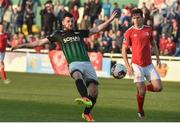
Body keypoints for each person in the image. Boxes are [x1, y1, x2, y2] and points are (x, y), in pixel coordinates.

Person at [12, 12, 118, 122]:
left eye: (72, 21)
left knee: (94, 92)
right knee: (77, 75)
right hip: (73, 63)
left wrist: (110, 19)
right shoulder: (58, 34)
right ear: (63, 22)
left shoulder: (79, 32)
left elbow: (96, 29)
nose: (70, 23)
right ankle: (84, 97)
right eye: (68, 21)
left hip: (87, 63)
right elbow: (40, 42)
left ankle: (86, 113)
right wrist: (23, 45)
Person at [122, 9, 163, 118]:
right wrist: (127, 66)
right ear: (132, 19)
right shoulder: (129, 32)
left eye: (138, 17)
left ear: (142, 17)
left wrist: (158, 58)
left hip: (149, 65)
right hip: (136, 65)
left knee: (158, 87)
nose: (136, 20)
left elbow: (153, 45)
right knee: (142, 92)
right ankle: (140, 110)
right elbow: (124, 50)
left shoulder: (148, 29)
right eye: (134, 18)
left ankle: (143, 88)